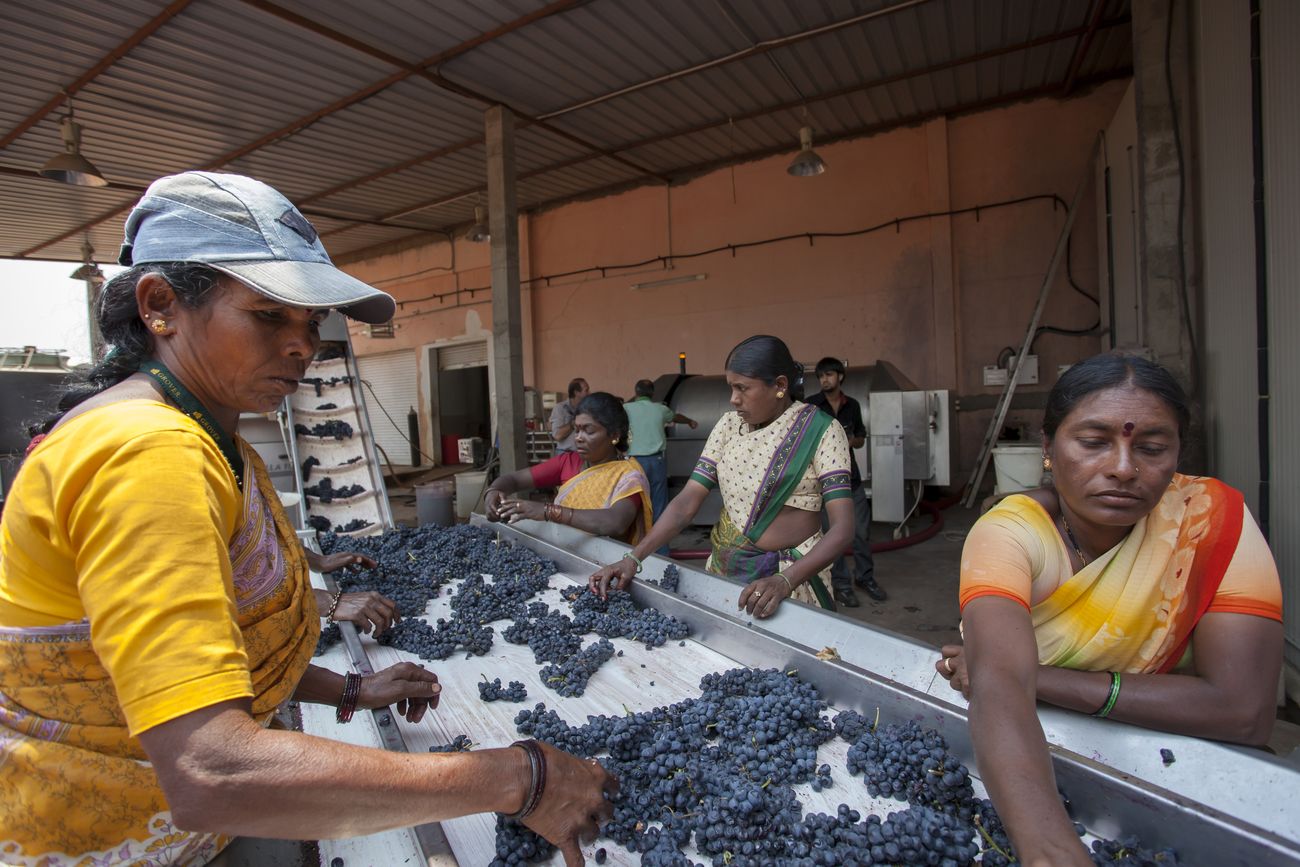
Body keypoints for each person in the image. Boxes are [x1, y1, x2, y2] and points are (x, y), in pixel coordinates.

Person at [0, 171, 614, 867]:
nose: (303, 344)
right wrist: (516, 777)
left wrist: (350, 688)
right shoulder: (147, 454)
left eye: (311, 322)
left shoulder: (209, 435)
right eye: (270, 315)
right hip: (99, 843)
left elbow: (204, 652)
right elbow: (209, 769)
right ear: (160, 304)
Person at [935, 353, 1282, 867]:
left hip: (1183, 769)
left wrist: (1040, 678)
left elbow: (1243, 711)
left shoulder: (1211, 523)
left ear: (1178, 452)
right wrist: (1052, 853)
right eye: (1094, 443)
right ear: (1049, 448)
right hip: (1034, 761)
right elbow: (1003, 686)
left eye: (1152, 448)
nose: (1123, 468)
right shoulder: (1010, 532)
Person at [590, 335, 854, 618]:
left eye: (743, 388)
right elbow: (687, 501)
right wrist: (634, 558)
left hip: (790, 578)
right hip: (727, 568)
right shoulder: (729, 425)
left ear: (779, 385)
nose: (733, 399)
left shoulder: (821, 430)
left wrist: (785, 580)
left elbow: (843, 528)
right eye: (730, 387)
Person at [487, 392, 653, 545]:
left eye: (589, 430)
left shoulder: (629, 476)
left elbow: (615, 522)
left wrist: (548, 511)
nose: (579, 438)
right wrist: (493, 491)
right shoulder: (567, 462)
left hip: (607, 565)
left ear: (614, 435)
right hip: (565, 556)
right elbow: (513, 480)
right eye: (577, 430)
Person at [804, 357, 885, 606]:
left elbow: (861, 437)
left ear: (840, 376)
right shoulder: (811, 406)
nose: (825, 380)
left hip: (852, 479)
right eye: (821, 376)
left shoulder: (853, 406)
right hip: (825, 484)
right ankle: (841, 584)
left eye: (829, 374)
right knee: (833, 535)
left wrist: (849, 442)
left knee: (860, 532)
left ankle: (865, 577)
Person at [624, 378, 698, 521]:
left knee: (636, 500)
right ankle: (660, 542)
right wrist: (690, 421)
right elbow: (676, 417)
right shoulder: (661, 409)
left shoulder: (626, 408)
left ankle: (638, 540)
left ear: (636, 392)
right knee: (658, 501)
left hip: (634, 462)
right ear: (652, 393)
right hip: (657, 461)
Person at [549, 377, 590, 454]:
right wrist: (573, 423)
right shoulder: (560, 408)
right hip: (565, 454)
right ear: (576, 392)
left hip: (583, 453)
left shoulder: (587, 409)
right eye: (586, 390)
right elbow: (557, 436)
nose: (589, 393)